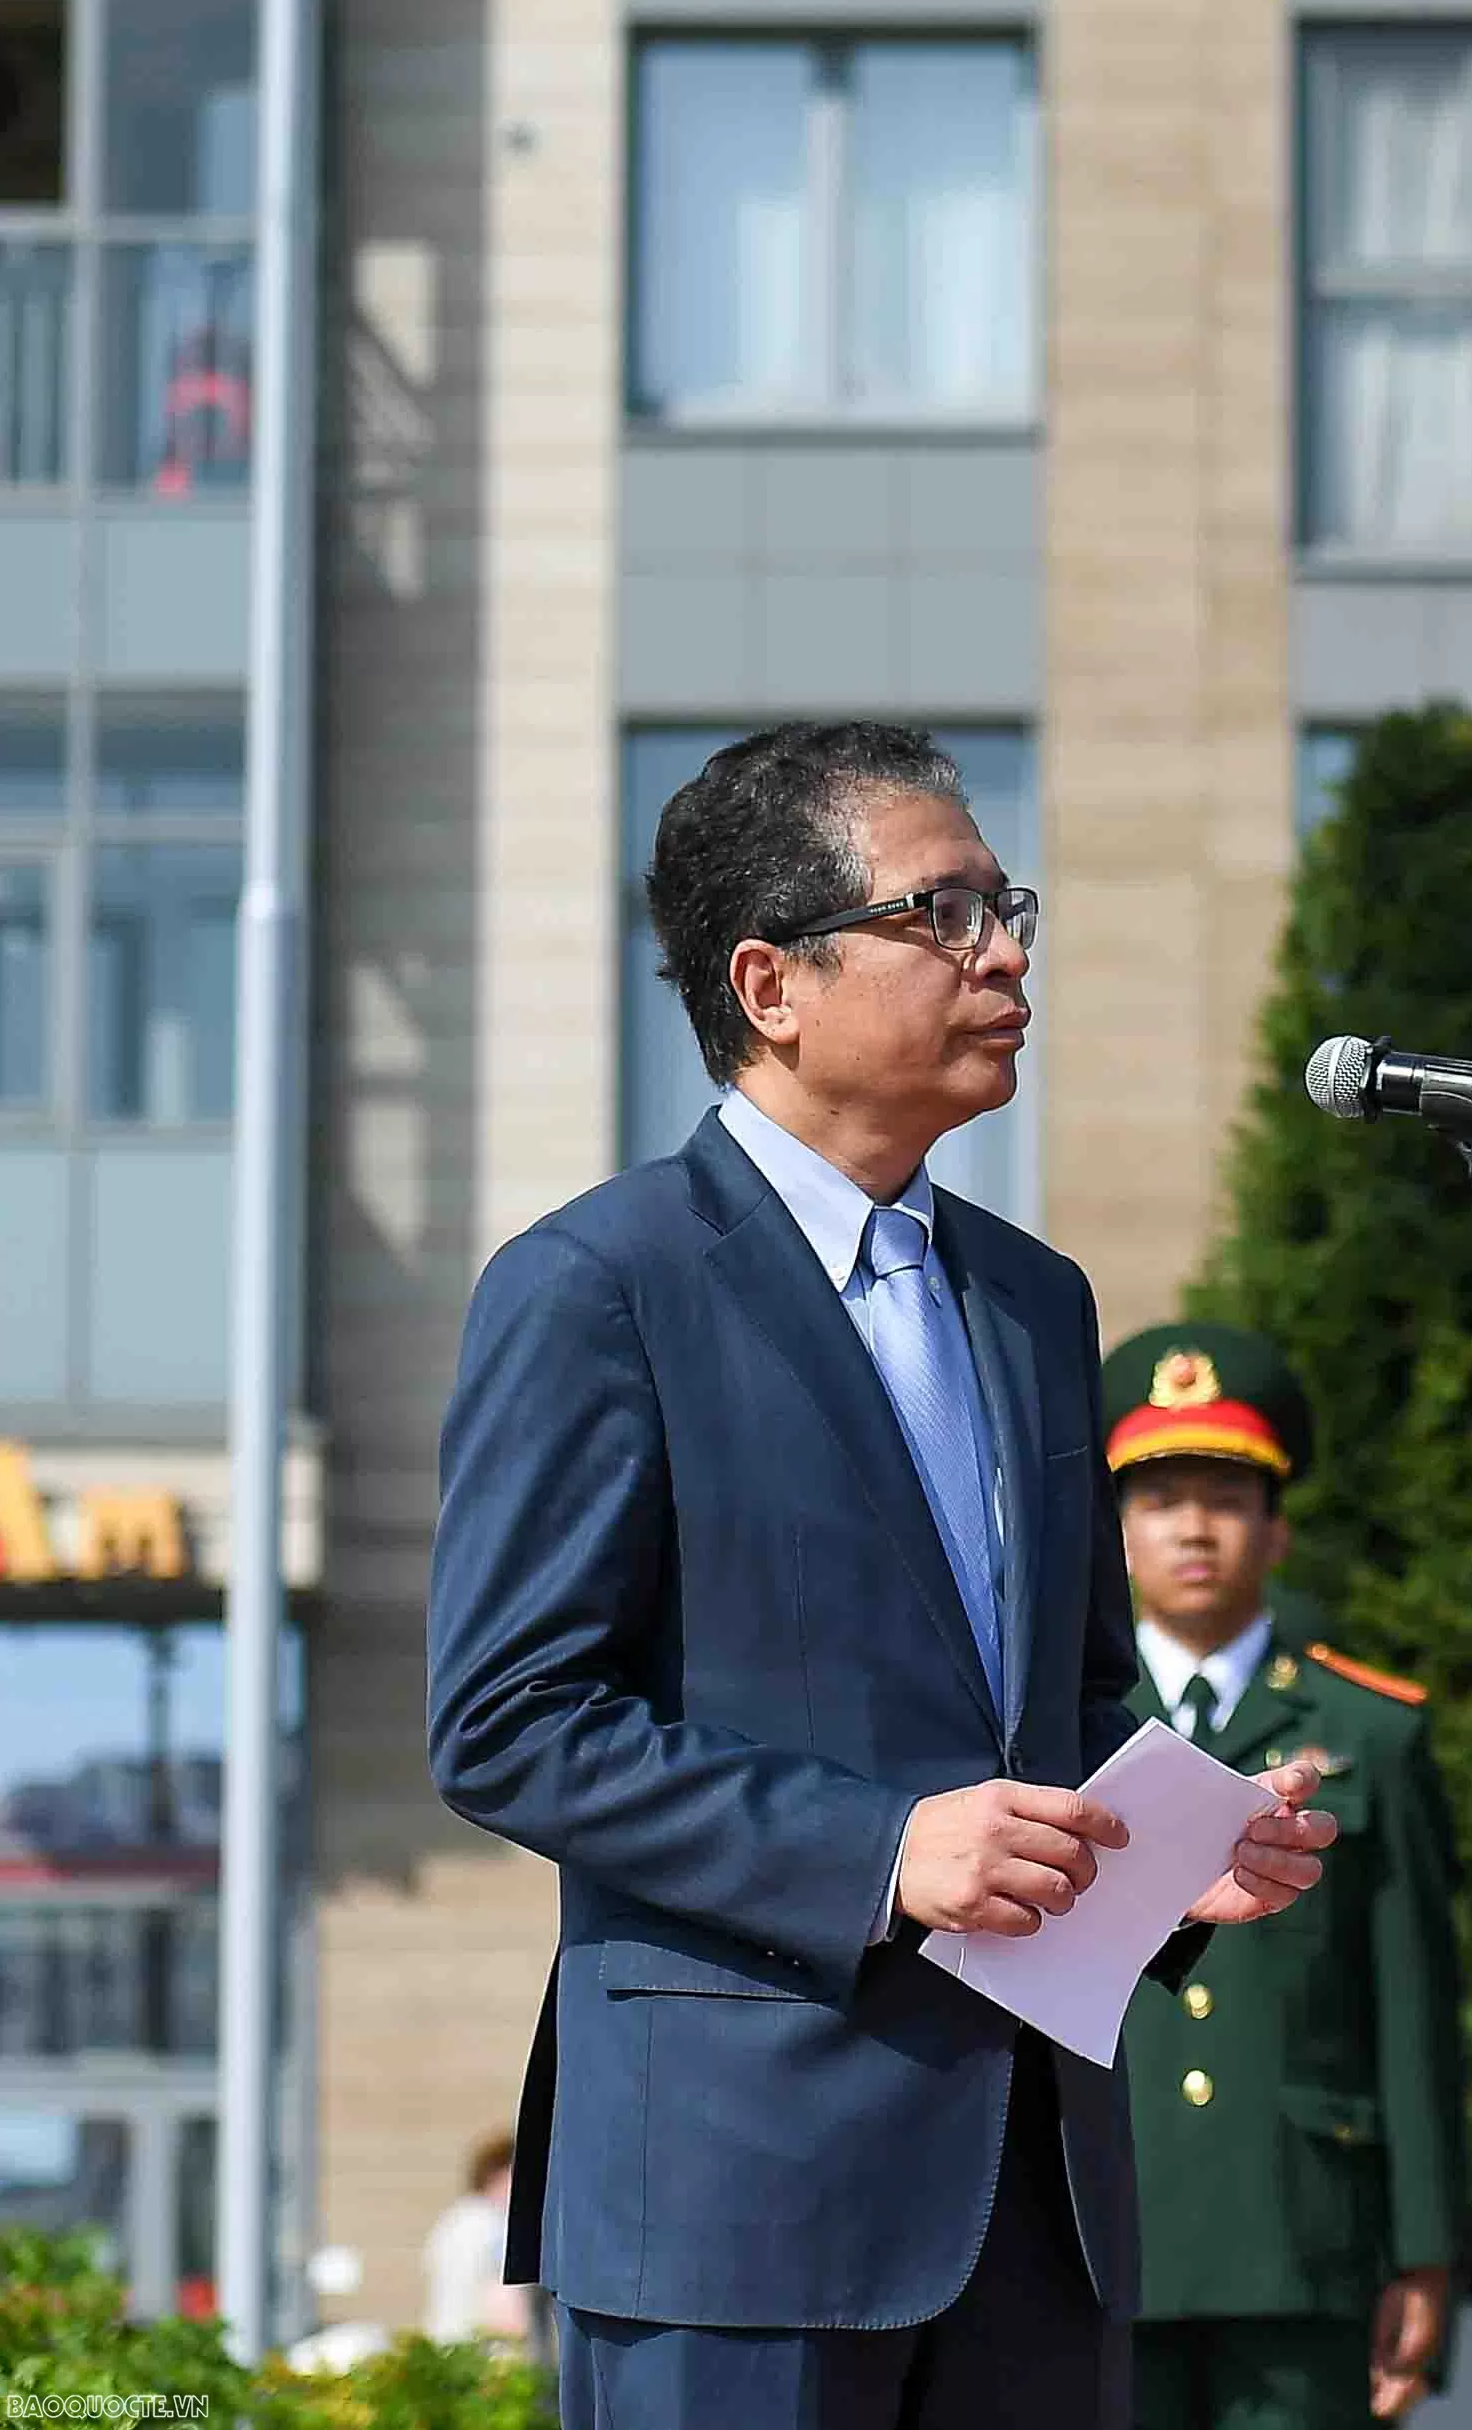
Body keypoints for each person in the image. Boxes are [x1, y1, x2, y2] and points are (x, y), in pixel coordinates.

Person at [426, 721, 1341, 2428]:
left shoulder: (1036, 1300)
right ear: (770, 983)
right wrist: (880, 1849)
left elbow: (1065, 1701)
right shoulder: (596, 1286)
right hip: (732, 2195)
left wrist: (1168, 1859)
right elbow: (510, 1720)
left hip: (1035, 2198)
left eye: (1012, 911)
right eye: (946, 912)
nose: (1004, 954)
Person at [1105, 1320, 1471, 2428]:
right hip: (1104, 2225)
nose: (1194, 1528)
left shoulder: (1369, 1730)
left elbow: (1412, 2005)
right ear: (1114, 1531)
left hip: (1302, 2230)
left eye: (1225, 1496)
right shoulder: (1063, 1732)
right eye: (1161, 1499)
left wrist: (1424, 2250)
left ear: (1277, 1530)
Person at [419, 2129, 528, 2349]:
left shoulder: (453, 2221)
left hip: (444, 2347)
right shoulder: (497, 2228)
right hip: (486, 2356)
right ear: (499, 2176)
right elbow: (510, 2317)